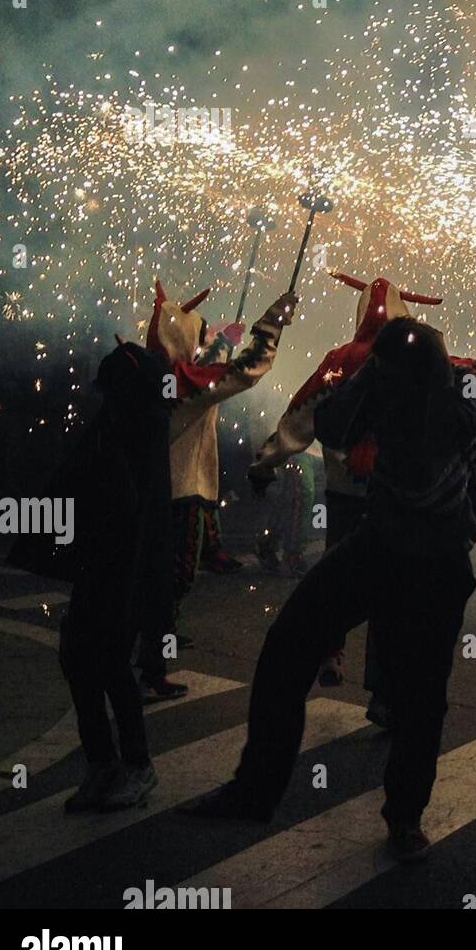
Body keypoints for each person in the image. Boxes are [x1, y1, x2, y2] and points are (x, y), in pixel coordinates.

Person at [182, 313, 476, 862]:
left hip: (412, 556)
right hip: (405, 549)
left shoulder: (430, 406)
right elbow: (343, 426)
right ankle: (393, 817)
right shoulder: (457, 386)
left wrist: (364, 379)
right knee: (379, 684)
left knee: (393, 689)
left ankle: (355, 808)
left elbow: (341, 426)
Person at [250, 273, 476, 721]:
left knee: (335, 584)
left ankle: (328, 650)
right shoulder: (443, 368)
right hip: (410, 521)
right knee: (393, 606)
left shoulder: (342, 360)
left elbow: (303, 419)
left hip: (346, 496)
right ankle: (384, 693)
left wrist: (265, 462)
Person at [137, 281, 296, 698]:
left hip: (159, 491)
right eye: (199, 331)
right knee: (172, 581)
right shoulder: (188, 387)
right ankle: (151, 665)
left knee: (160, 580)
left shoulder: (157, 376)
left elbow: (207, 363)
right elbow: (244, 371)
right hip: (178, 493)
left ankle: (153, 647)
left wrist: (223, 339)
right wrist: (272, 323)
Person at [53, 342, 173, 811]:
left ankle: (137, 766)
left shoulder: (139, 434)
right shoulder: (115, 430)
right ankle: (102, 764)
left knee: (111, 668)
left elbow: (131, 516)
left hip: (124, 573)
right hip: (100, 569)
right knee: (82, 662)